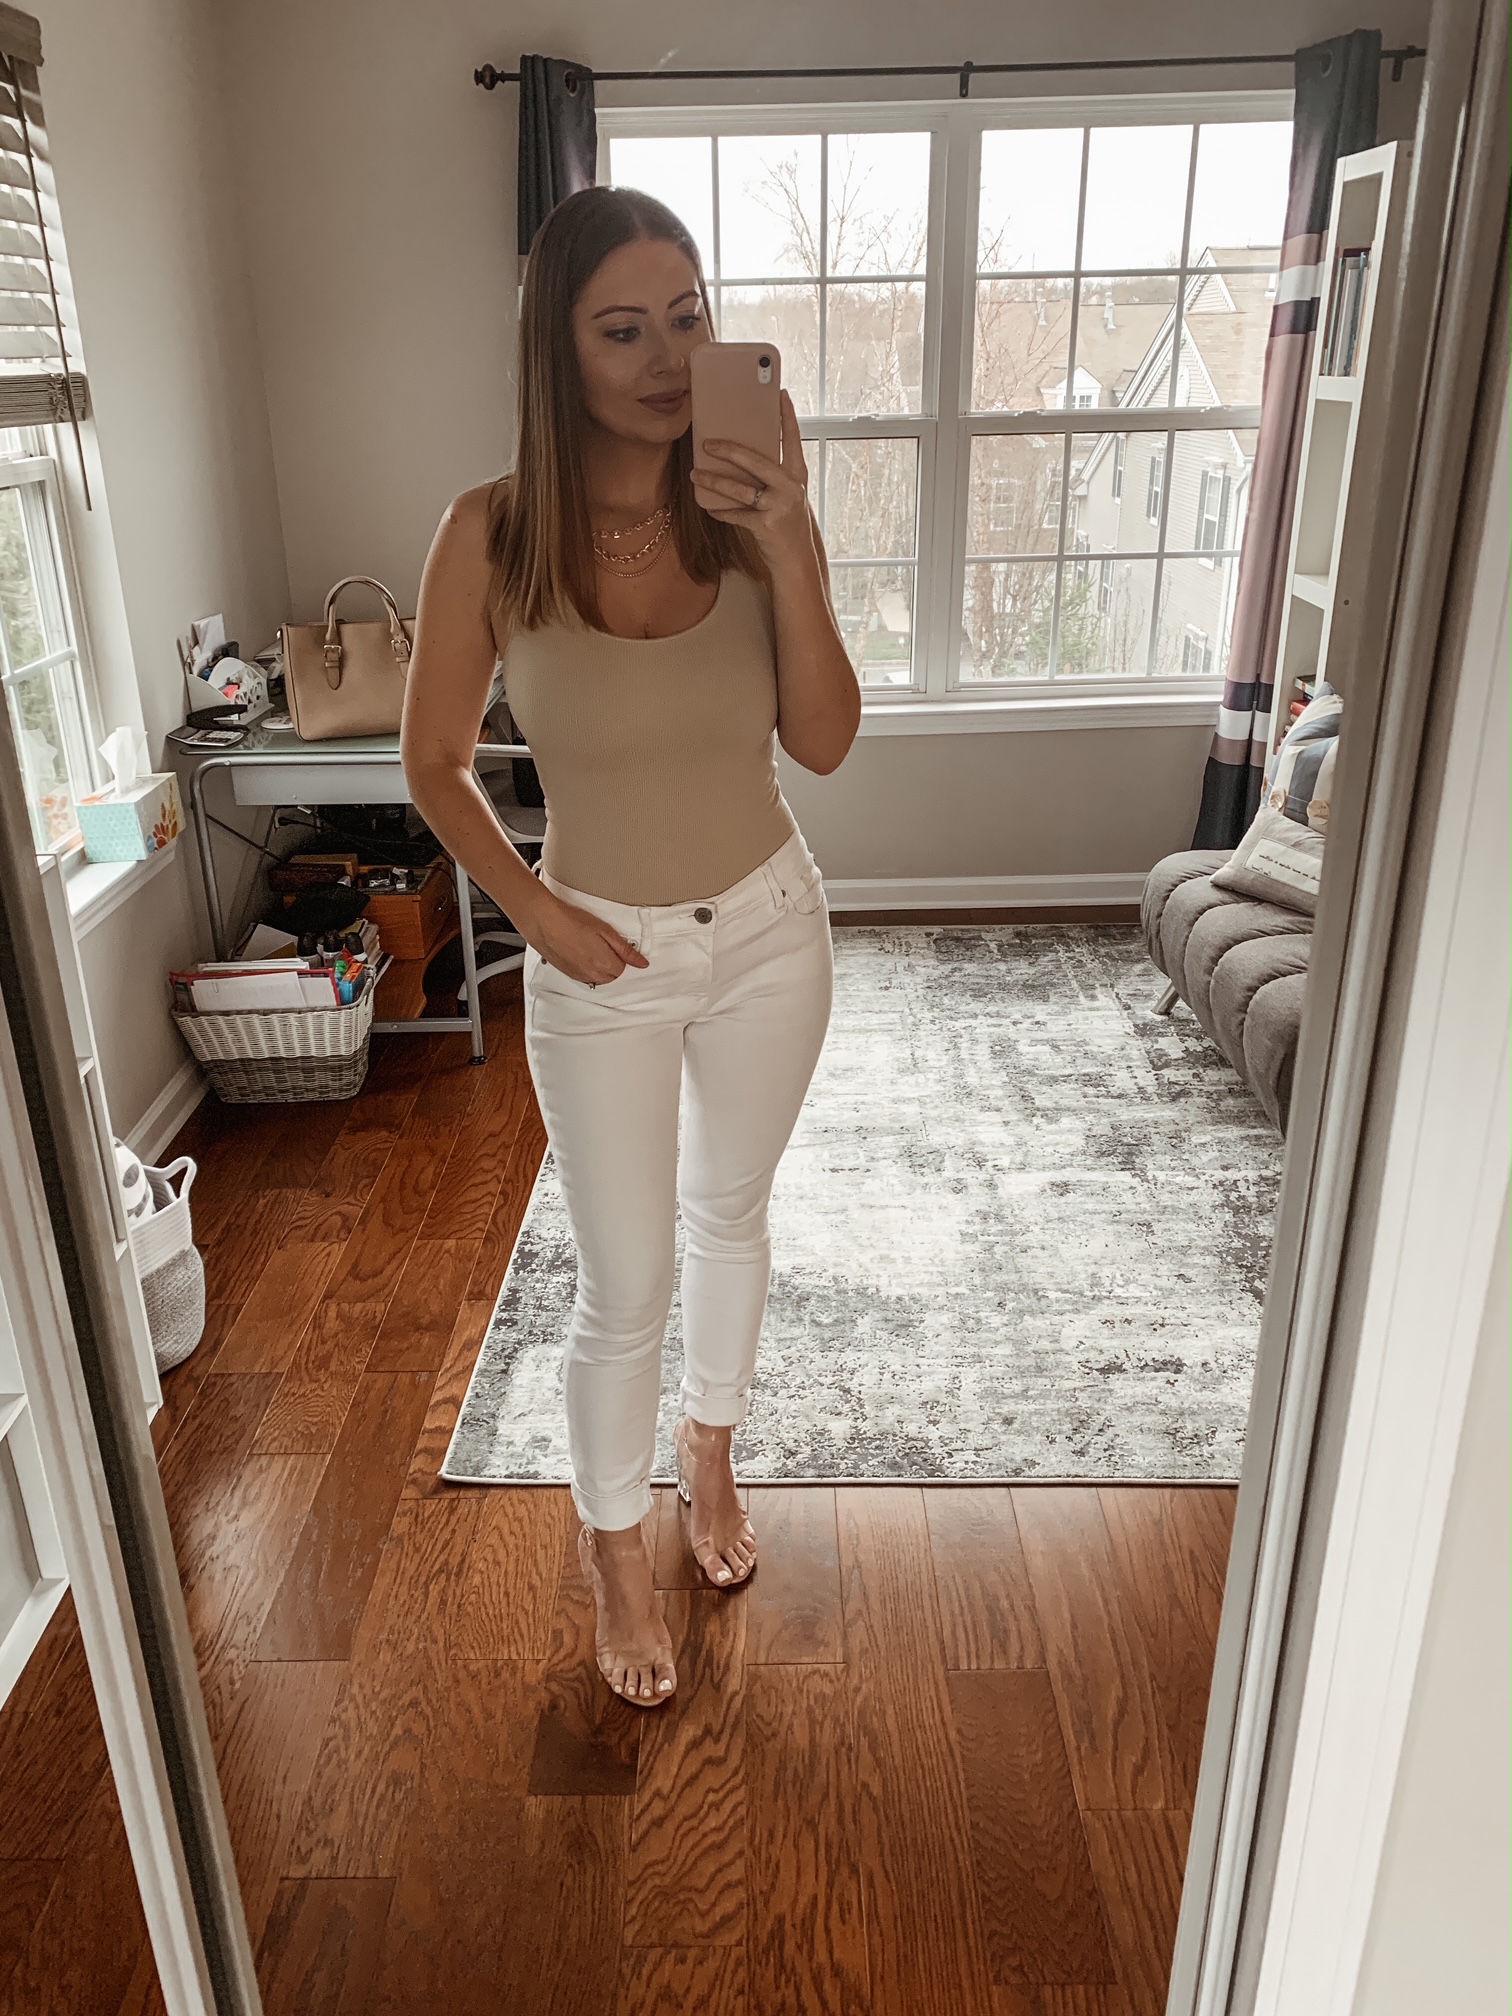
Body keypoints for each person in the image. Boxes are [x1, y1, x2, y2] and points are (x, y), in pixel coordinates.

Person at [402, 186, 860, 1708]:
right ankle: (612, 1547)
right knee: (625, 1277)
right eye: (623, 328)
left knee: (734, 1215)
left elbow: (827, 741)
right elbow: (434, 761)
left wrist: (789, 544)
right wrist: (533, 910)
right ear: (559, 344)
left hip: (772, 930)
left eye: (688, 316)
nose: (669, 358)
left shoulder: (750, 495)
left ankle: (709, 1460)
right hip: (597, 953)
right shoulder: (489, 532)